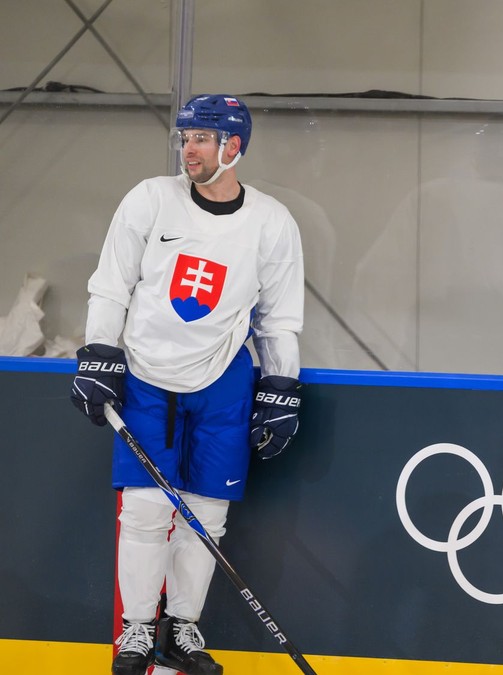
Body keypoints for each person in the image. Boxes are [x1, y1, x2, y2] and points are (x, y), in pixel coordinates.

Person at [70, 94, 305, 675]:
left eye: (202, 137)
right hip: (148, 376)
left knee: (208, 511)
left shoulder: (271, 222)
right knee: (147, 512)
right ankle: (138, 631)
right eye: (185, 136)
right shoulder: (150, 199)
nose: (189, 148)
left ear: (235, 147)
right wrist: (99, 353)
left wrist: (282, 387)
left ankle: (183, 628)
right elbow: (111, 284)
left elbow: (279, 318)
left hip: (223, 379)